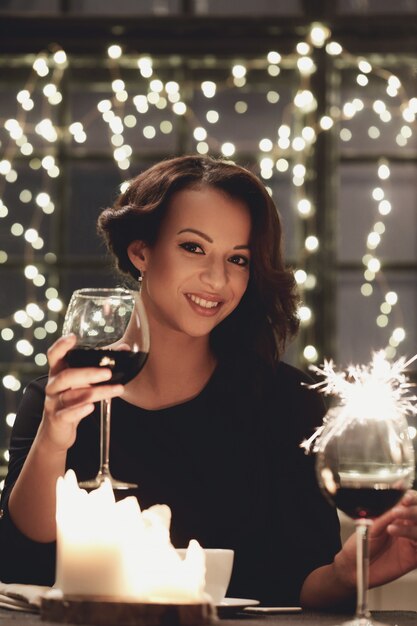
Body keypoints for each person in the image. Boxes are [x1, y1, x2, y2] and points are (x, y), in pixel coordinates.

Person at [1, 155, 416, 608]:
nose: (218, 279)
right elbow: (25, 560)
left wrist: (344, 574)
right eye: (194, 248)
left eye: (237, 258)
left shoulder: (286, 402)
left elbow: (296, 585)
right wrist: (54, 438)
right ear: (141, 251)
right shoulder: (60, 397)